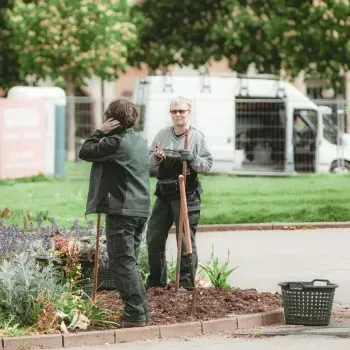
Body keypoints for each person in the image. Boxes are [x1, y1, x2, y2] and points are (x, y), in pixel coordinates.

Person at [79, 99, 150, 328]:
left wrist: (99, 131)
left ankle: (135, 314)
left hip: (123, 211)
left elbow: (85, 151)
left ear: (111, 118)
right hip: (140, 209)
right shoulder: (139, 140)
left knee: (122, 263)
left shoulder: (114, 142)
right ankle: (142, 311)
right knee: (130, 262)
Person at [146, 96, 213, 290]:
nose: (177, 115)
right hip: (164, 193)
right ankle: (157, 281)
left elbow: (207, 165)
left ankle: (185, 282)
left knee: (184, 239)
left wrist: (192, 158)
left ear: (188, 112)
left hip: (186, 192)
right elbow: (149, 165)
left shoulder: (196, 137)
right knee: (154, 236)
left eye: (181, 111)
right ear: (170, 113)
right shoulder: (162, 135)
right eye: (174, 111)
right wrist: (157, 158)